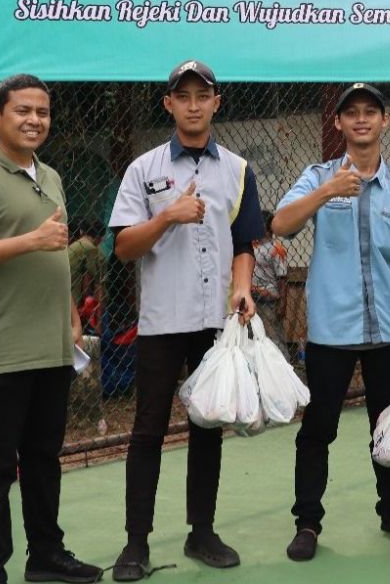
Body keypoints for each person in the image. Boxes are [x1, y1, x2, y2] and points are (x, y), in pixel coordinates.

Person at [0, 74, 101, 584]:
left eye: (43, 113)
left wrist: (72, 316)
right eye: (23, 111)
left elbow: (55, 257)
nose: (35, 120)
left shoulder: (49, 176)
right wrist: (28, 241)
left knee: (43, 460)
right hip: (1, 351)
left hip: (51, 349)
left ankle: (45, 556)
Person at [107, 60, 265, 579]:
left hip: (213, 323)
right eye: (184, 96)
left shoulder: (239, 169)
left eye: (204, 95)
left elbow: (245, 243)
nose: (194, 105)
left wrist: (241, 286)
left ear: (217, 102)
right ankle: (136, 543)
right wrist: (166, 216)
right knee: (148, 430)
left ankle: (202, 532)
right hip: (161, 320)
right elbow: (125, 247)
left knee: (207, 425)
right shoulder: (143, 170)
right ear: (168, 104)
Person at [273, 82, 390, 562]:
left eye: (371, 112)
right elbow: (281, 225)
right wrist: (327, 192)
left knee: (387, 427)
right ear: (339, 124)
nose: (362, 120)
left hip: (387, 330)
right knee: (318, 429)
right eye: (353, 114)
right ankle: (307, 523)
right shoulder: (318, 176)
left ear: (384, 122)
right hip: (330, 332)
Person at [251, 210, 289, 350]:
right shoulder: (253, 246)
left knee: (273, 336)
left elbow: (283, 278)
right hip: (252, 296)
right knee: (254, 335)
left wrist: (282, 304)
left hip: (269, 298)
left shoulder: (276, 249)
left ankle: (282, 363)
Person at [67, 220, 105, 333]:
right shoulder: (91, 249)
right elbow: (91, 283)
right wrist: (98, 325)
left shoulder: (74, 246)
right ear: (101, 238)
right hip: (74, 305)